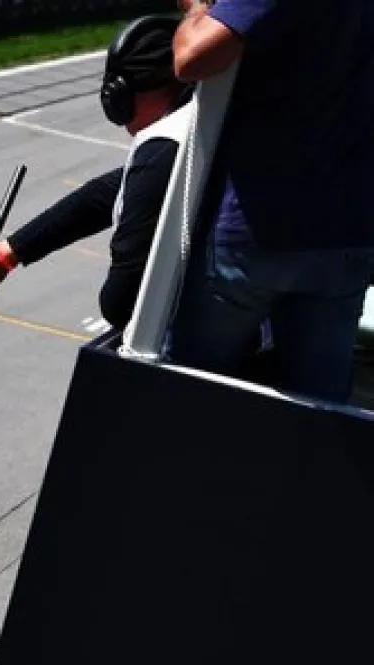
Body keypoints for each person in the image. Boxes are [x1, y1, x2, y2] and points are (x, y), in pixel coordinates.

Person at [166, 0, 374, 404]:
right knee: (318, 413)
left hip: (259, 232)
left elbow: (191, 58)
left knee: (188, 396)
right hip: (349, 234)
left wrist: (196, 9)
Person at [0, 14, 195, 332]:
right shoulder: (200, 122)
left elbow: (122, 302)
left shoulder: (163, 150)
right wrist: (8, 253)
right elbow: (105, 193)